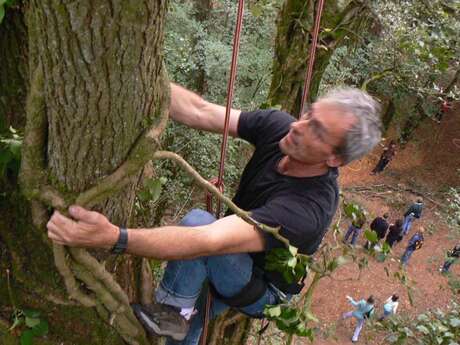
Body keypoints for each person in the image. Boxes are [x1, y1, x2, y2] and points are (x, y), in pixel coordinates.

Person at [46, 83, 382, 344]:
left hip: (262, 290)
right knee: (194, 317)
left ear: (335, 159)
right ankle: (180, 320)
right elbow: (199, 110)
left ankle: (171, 313)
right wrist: (138, 74)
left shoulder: (308, 209)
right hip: (237, 254)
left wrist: (113, 238)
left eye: (317, 130)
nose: (299, 126)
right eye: (308, 113)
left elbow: (208, 239)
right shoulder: (283, 129)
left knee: (198, 227)